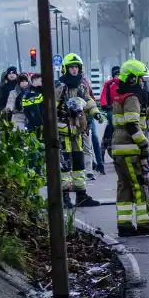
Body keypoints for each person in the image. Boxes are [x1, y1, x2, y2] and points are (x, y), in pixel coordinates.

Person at [109, 59, 149, 237]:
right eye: (141, 79)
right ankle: (145, 224)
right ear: (133, 79)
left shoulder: (122, 96)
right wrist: (144, 145)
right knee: (140, 185)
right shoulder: (133, 98)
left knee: (124, 187)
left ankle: (125, 225)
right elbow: (133, 124)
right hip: (131, 149)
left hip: (119, 149)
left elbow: (135, 115)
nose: (143, 83)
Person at [56, 53, 101, 208]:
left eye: (76, 67)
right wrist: (65, 109)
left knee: (79, 164)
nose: (74, 70)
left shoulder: (82, 86)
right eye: (71, 67)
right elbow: (51, 107)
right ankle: (66, 197)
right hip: (63, 131)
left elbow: (89, 101)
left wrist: (96, 113)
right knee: (65, 165)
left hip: (77, 132)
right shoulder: (60, 86)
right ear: (65, 69)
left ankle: (81, 195)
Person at [100, 65, 121, 161]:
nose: (118, 76)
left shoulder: (124, 84)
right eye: (116, 75)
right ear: (113, 75)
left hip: (122, 109)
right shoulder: (108, 84)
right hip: (111, 109)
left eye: (119, 74)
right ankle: (104, 147)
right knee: (111, 124)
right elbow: (103, 96)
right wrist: (104, 105)